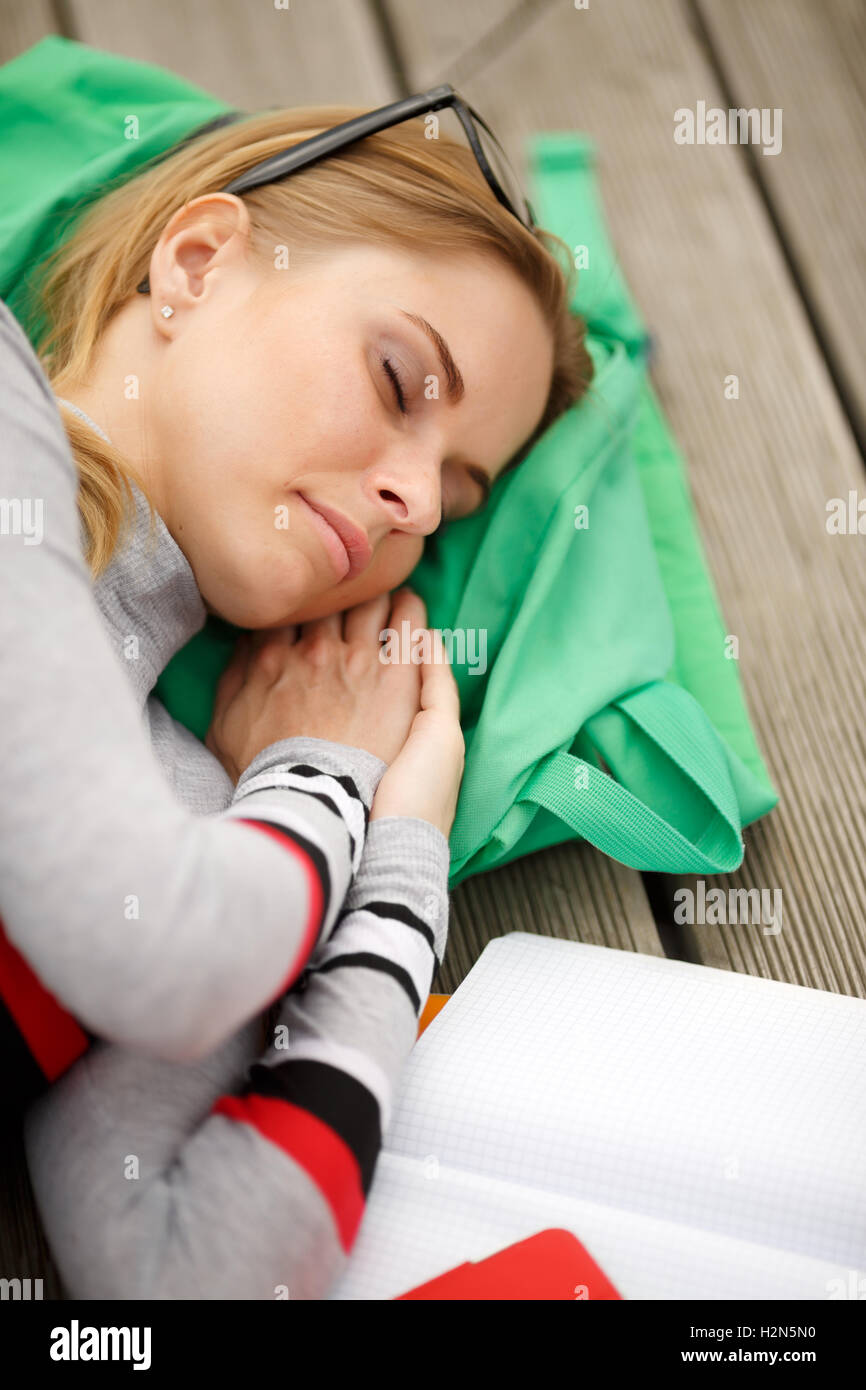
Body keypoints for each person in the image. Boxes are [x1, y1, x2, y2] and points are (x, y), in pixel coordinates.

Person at [0, 98, 593, 1296]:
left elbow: (187, 1280)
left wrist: (402, 849)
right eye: (396, 379)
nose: (418, 505)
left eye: (458, 497)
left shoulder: (216, 822)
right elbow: (160, 952)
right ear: (199, 262)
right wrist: (327, 788)